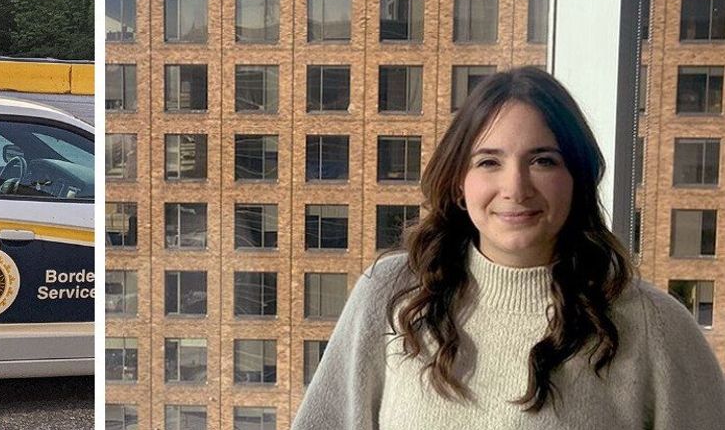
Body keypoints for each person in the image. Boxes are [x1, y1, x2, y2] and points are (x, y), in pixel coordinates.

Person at [291, 66, 725, 429]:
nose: (515, 188)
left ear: (576, 178)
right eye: (488, 162)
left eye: (543, 160)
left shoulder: (654, 325)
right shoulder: (391, 295)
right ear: (459, 182)